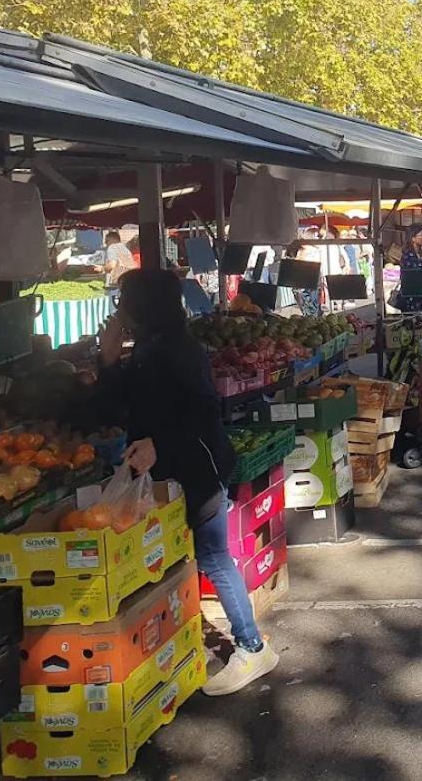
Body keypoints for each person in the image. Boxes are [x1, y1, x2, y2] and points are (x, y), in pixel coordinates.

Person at [100, 270, 278, 695]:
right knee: (184, 556)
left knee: (214, 556)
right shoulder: (152, 348)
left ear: (142, 307)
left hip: (199, 469)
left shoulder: (176, 350)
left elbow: (203, 410)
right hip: (173, 472)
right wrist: (108, 359)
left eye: (123, 301)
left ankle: (252, 647)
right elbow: (121, 405)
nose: (118, 309)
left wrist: (158, 442)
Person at [393, 224, 422, 313]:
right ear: (413, 238)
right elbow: (415, 281)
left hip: (420, 301)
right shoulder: (409, 257)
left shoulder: (419, 256)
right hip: (412, 301)